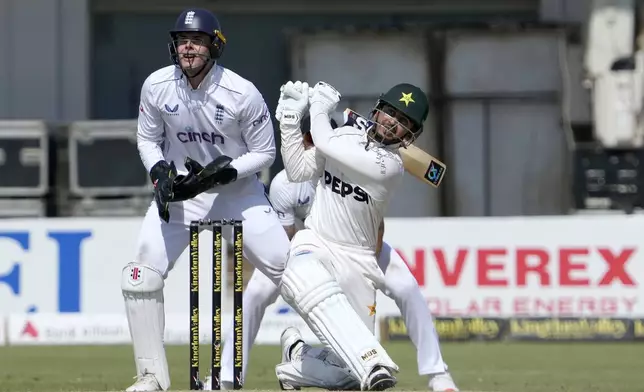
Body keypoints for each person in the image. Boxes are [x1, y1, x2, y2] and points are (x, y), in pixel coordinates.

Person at [213, 115, 458, 391]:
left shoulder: (354, 164)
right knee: (255, 294)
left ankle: (438, 374)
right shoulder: (286, 184)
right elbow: (284, 241)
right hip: (302, 249)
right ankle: (227, 377)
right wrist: (308, 284)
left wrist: (350, 271)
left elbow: (375, 235)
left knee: (407, 287)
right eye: (316, 140)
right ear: (308, 140)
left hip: (357, 246)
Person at [121, 8, 290, 391]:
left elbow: (265, 153)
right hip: (182, 195)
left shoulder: (241, 92)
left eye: (196, 40)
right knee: (140, 274)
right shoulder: (157, 85)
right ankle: (151, 378)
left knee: (288, 267)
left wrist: (225, 171)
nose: (188, 48)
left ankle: (345, 357)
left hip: (238, 195)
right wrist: (159, 171)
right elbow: (148, 139)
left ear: (215, 45)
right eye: (182, 40)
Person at [271, 80, 430, 391]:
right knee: (299, 275)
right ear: (379, 110)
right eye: (390, 113)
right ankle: (372, 361)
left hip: (358, 259)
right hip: (316, 240)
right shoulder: (342, 135)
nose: (392, 123)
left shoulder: (390, 167)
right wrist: (289, 121)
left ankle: (297, 359)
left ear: (410, 134)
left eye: (403, 122)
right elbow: (298, 172)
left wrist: (317, 106)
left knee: (347, 377)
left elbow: (326, 143)